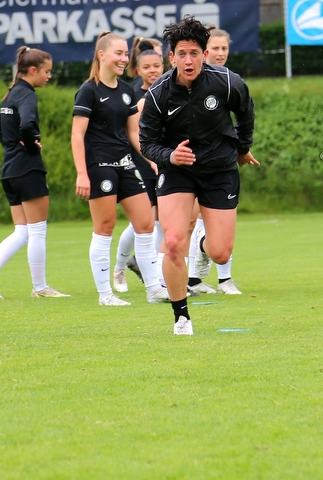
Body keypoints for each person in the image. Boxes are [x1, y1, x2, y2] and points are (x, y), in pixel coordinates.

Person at [140, 17, 258, 335]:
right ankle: (182, 317)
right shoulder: (158, 94)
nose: (188, 60)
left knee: (221, 253)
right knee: (174, 242)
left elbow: (246, 112)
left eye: (194, 53)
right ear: (172, 57)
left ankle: (203, 246)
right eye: (182, 54)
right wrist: (170, 156)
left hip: (219, 170)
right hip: (178, 173)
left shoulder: (227, 82)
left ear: (204, 55)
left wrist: (242, 148)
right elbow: (146, 143)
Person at [71, 32, 168, 306]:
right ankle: (105, 295)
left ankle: (153, 289)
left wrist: (152, 158)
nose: (124, 59)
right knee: (105, 227)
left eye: (126, 54)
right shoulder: (88, 90)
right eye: (119, 54)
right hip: (99, 167)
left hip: (126, 165)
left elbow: (134, 132)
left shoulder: (126, 91)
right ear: (101, 55)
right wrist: (82, 173)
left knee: (146, 224)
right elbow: (77, 135)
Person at [0, 47, 68, 300]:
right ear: (33, 70)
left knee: (23, 231)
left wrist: (12, 145)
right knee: (37, 230)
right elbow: (27, 124)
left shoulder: (11, 93)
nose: (49, 76)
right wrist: (32, 141)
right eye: (47, 71)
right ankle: (40, 288)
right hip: (28, 168)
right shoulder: (27, 94)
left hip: (10, 170)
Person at [186, 27, 245, 296]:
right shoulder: (187, 81)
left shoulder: (229, 81)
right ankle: (190, 278)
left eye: (224, 49)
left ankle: (221, 279)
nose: (220, 54)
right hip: (191, 163)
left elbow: (238, 120)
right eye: (215, 49)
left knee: (217, 223)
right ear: (205, 51)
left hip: (221, 162)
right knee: (194, 223)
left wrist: (242, 149)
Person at [113, 40, 165, 292]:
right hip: (140, 161)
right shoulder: (134, 94)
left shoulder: (168, 89)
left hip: (162, 159)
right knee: (143, 221)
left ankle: (154, 272)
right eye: (147, 66)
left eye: (157, 65)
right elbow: (130, 130)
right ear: (138, 70)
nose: (153, 70)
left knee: (156, 221)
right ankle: (120, 268)